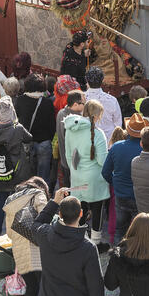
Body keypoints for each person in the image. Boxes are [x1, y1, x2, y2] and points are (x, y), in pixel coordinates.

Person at [31, 190, 107, 296]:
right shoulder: (88, 247)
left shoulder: (45, 235)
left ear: (60, 214)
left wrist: (54, 201)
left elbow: (35, 224)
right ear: (81, 214)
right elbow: (95, 282)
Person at [2, 179, 50, 296]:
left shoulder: (11, 200)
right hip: (39, 249)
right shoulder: (39, 195)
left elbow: (9, 232)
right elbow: (47, 221)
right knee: (46, 287)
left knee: (32, 287)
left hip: (20, 252)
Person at [0, 96, 33, 234]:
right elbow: (29, 138)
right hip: (18, 172)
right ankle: (19, 232)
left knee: (0, 203)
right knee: (19, 203)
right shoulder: (18, 128)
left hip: (0, 173)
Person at [64, 99, 110, 248]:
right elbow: (102, 160)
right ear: (96, 116)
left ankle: (81, 239)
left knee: (81, 209)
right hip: (94, 178)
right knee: (97, 210)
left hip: (77, 175)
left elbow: (69, 154)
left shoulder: (71, 130)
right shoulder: (98, 133)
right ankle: (95, 242)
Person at [104, 113, 149, 244]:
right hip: (139, 197)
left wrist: (116, 183)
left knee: (120, 231)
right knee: (138, 232)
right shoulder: (145, 149)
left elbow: (105, 172)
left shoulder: (117, 146)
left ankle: (117, 257)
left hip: (121, 196)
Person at [84, 66, 123, 141]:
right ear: (102, 81)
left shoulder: (81, 99)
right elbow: (118, 124)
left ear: (87, 80)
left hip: (86, 141)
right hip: (107, 141)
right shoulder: (112, 100)